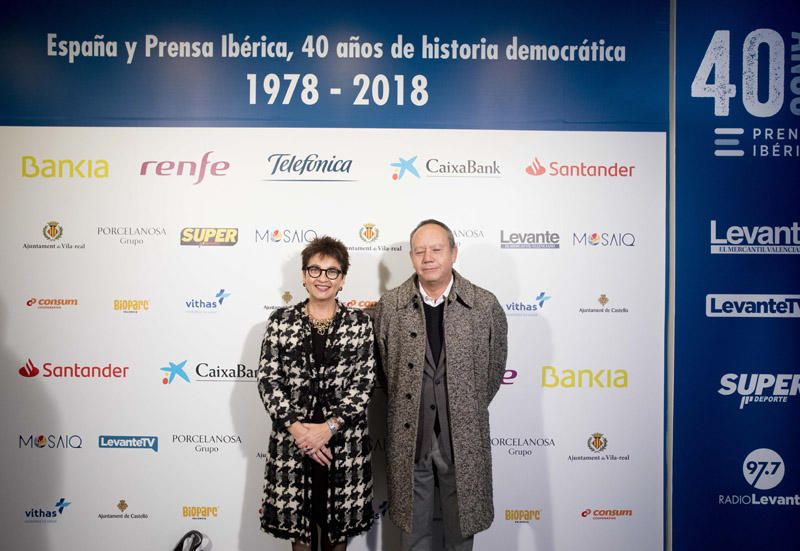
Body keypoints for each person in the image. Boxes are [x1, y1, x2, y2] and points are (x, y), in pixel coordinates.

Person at [373, 219, 508, 550]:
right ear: (411, 257)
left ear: (453, 253)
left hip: (463, 438)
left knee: (461, 530)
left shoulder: (484, 305)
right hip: (409, 438)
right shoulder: (390, 306)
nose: (428, 257)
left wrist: (464, 405)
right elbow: (382, 371)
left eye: (436, 249)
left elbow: (493, 369)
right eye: (420, 251)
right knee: (412, 532)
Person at [258, 236, 375, 551]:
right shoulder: (280, 322)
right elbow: (269, 381)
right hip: (294, 446)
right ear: (304, 275)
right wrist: (301, 432)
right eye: (315, 270)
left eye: (331, 271)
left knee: (338, 536)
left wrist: (329, 428)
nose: (322, 278)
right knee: (301, 536)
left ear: (342, 280)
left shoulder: (359, 324)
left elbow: (363, 384)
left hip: (343, 445)